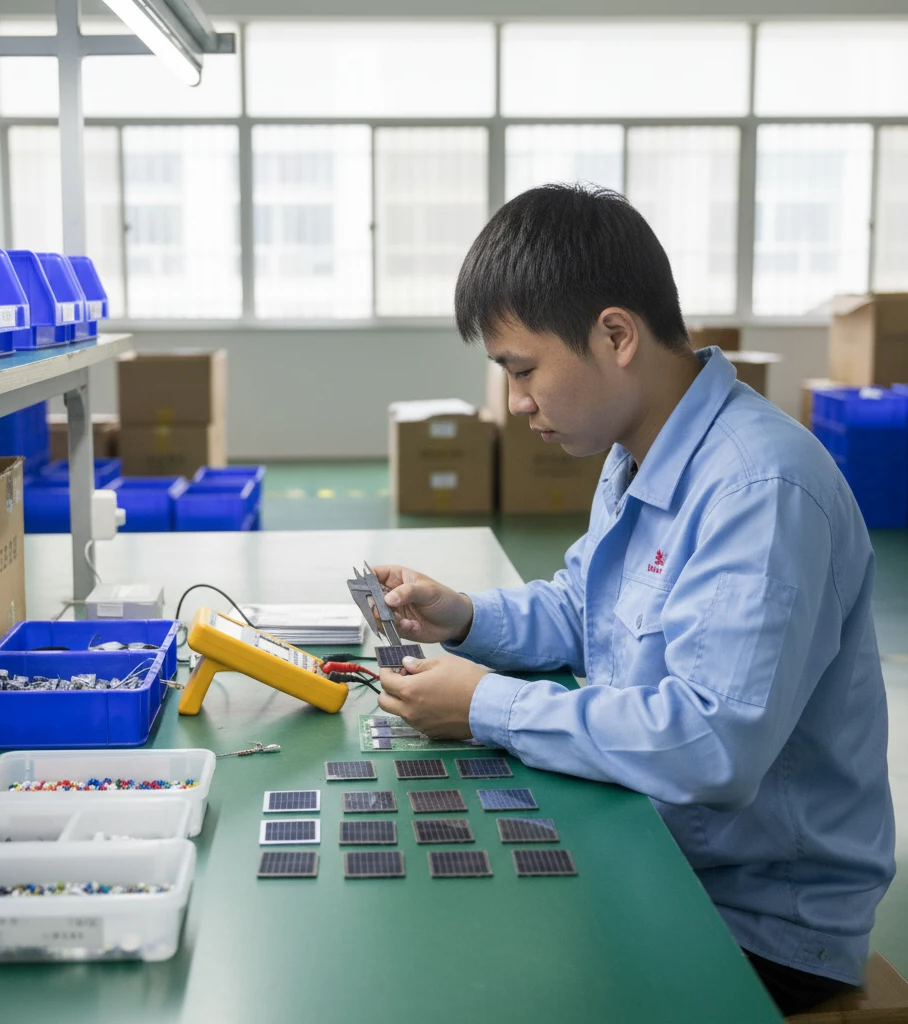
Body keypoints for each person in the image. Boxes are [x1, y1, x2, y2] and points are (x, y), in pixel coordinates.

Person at [374, 184, 895, 1016]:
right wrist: (466, 617)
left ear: (616, 335)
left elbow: (709, 744)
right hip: (663, 847)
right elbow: (588, 609)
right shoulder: (638, 453)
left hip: (756, 922)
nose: (515, 402)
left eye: (524, 369)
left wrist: (487, 708)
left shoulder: (759, 490)